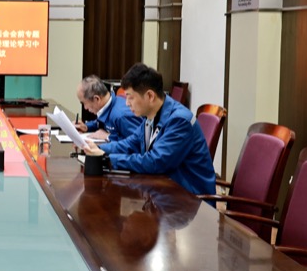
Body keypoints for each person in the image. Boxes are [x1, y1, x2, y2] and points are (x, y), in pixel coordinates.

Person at [83, 63, 216, 196]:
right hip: (165, 190)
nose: (127, 103)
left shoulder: (179, 121)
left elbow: (155, 162)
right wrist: (99, 149)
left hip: (190, 199)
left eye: (130, 97)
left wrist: (107, 159)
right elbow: (131, 143)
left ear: (150, 96)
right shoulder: (151, 115)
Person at [74, 74, 141, 151]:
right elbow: (102, 122)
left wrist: (108, 137)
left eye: (83, 103)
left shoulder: (122, 115)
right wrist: (86, 127)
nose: (85, 108)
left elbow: (137, 144)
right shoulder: (108, 106)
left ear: (96, 99)